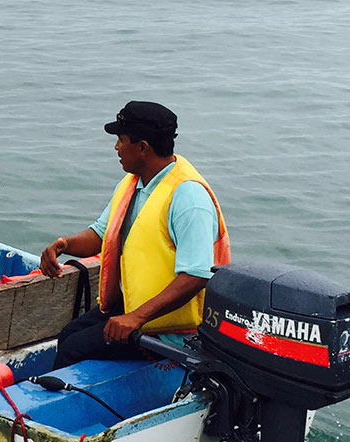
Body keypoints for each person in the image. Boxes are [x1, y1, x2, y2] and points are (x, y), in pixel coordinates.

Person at [40, 101, 230, 369]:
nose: (116, 148)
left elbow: (197, 275)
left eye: (121, 140)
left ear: (142, 147)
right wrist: (64, 245)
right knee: (69, 335)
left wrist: (136, 318)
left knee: (73, 350)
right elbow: (100, 234)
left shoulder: (189, 198)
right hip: (132, 306)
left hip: (169, 331)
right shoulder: (135, 182)